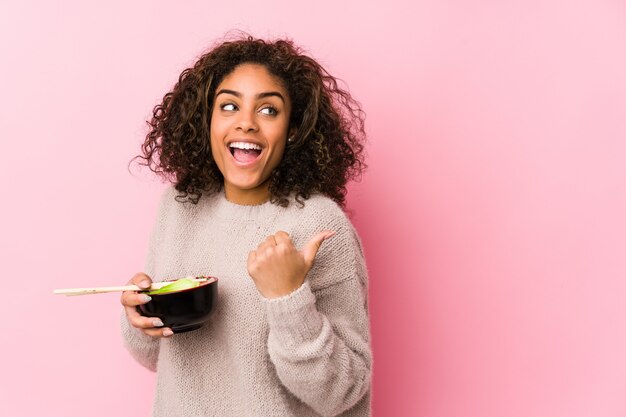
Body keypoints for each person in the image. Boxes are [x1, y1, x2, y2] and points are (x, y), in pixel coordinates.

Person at [120, 35, 371, 417]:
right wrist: (140, 317)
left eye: (268, 110)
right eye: (230, 106)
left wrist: (288, 299)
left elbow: (344, 392)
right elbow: (156, 357)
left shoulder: (319, 226)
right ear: (207, 120)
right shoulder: (179, 207)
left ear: (293, 129)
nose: (246, 123)